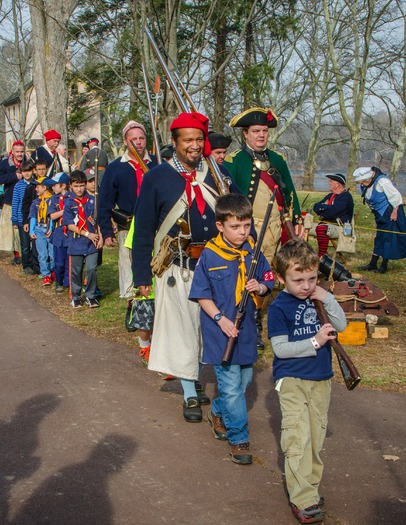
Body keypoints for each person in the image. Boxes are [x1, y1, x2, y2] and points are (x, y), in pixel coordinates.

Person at [132, 111, 247, 423]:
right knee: (183, 331)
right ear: (174, 143)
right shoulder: (157, 178)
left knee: (210, 329)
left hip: (216, 267)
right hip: (177, 266)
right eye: (188, 140)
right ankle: (190, 393)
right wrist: (141, 275)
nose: (194, 145)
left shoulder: (218, 173)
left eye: (199, 139)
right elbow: (143, 229)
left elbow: (240, 213)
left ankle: (213, 386)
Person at [189, 193, 274, 464]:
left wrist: (259, 287)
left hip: (246, 330)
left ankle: (217, 411)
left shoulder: (253, 250)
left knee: (244, 381)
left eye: (246, 226)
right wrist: (219, 320)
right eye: (235, 227)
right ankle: (239, 439)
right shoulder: (209, 255)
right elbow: (202, 295)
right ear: (220, 226)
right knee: (232, 388)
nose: (242, 232)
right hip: (219, 331)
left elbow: (268, 278)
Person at [267, 239, 347, 524]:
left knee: (315, 437)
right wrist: (315, 341)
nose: (306, 286)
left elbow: (342, 325)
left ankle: (309, 488)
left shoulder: (317, 298)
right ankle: (302, 498)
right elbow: (281, 349)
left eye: (312, 279)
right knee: (297, 438)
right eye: (298, 280)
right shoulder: (279, 308)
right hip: (292, 380)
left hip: (321, 378)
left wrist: (327, 298)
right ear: (281, 278)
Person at [224, 107, 300, 351]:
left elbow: (289, 192)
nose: (261, 135)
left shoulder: (277, 160)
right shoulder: (235, 161)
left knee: (276, 274)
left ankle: (272, 315)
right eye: (256, 131)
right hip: (250, 227)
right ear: (245, 134)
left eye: (264, 131)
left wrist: (296, 218)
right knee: (253, 274)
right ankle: (252, 321)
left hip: (278, 226)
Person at [98, 121, 157, 299]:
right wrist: (107, 231)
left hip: (156, 225)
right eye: (133, 139)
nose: (138, 142)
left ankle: (155, 302)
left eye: (141, 138)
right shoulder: (115, 168)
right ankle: (132, 306)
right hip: (128, 227)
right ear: (125, 141)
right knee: (128, 265)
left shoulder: (157, 164)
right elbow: (104, 202)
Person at [353, 166, 406, 274]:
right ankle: (373, 263)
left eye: (363, 182)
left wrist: (395, 212)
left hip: (389, 213)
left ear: (369, 178)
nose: (362, 184)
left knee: (387, 238)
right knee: (379, 238)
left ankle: (384, 266)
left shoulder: (382, 182)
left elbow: (396, 197)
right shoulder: (367, 184)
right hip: (379, 214)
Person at [63, 170, 102, 308]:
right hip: (76, 243)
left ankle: (90, 295)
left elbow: (98, 221)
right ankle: (76, 296)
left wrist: (100, 237)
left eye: (81, 185)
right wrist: (87, 234)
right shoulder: (68, 203)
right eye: (76, 186)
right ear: (71, 186)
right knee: (76, 271)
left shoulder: (92, 201)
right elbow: (70, 225)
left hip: (92, 243)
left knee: (91, 269)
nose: (79, 189)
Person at [310, 173, 354, 257]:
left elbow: (333, 212)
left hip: (340, 228)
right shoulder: (330, 196)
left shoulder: (346, 197)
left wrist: (324, 210)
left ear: (337, 184)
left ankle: (322, 256)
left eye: (331, 181)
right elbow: (316, 206)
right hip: (325, 224)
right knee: (301, 226)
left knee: (322, 228)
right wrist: (327, 208)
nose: (329, 183)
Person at [0, 140, 27, 264]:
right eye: (17, 152)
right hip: (10, 199)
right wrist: (14, 176)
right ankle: (16, 254)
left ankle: (24, 253)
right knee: (11, 229)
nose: (20, 154)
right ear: (13, 151)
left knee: (22, 227)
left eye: (22, 151)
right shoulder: (5, 163)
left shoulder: (28, 162)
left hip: (25, 200)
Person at [28, 177, 57, 286]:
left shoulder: (52, 200)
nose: (36, 189)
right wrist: (32, 230)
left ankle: (53, 270)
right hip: (39, 229)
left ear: (45, 187)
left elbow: (52, 217)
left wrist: (50, 228)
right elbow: (33, 217)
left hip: (49, 229)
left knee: (52, 253)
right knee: (42, 254)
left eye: (38, 186)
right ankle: (46, 275)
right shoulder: (36, 202)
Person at [22, 159, 48, 275]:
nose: (41, 171)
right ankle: (38, 269)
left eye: (43, 169)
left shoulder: (49, 184)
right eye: (39, 169)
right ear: (35, 171)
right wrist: (26, 221)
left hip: (47, 220)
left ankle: (49, 269)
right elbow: (26, 206)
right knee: (36, 246)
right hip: (35, 220)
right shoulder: (31, 187)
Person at [11, 160, 35, 275]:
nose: (27, 174)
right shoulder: (18, 185)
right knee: (25, 245)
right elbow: (15, 203)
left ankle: (35, 265)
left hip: (34, 218)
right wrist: (14, 219)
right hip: (22, 219)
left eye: (29, 171)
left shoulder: (36, 184)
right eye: (24, 171)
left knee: (34, 244)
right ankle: (26, 265)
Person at [48, 172, 71, 292]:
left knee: (69, 262)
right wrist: (64, 211)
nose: (52, 187)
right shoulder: (54, 199)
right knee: (59, 261)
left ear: (63, 186)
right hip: (59, 235)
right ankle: (59, 281)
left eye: (55, 185)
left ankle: (68, 283)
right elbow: (52, 216)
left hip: (71, 235)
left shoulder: (72, 198)